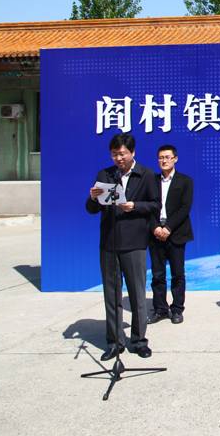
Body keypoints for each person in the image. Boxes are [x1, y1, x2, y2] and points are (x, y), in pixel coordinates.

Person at [86, 133, 160, 360]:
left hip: (134, 243)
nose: (118, 158)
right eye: (114, 154)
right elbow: (92, 209)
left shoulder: (146, 175)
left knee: (137, 294)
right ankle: (114, 342)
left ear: (132, 153)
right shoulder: (105, 175)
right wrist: (92, 198)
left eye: (122, 154)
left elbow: (155, 205)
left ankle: (139, 340)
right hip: (109, 243)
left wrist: (134, 206)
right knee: (111, 294)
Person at [148, 144, 194, 326]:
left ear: (175, 159)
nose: (164, 161)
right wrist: (155, 227)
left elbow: (185, 208)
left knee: (177, 274)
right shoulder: (151, 181)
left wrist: (168, 228)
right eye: (161, 158)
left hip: (176, 233)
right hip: (155, 234)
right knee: (157, 275)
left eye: (167, 157)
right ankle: (160, 309)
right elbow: (147, 207)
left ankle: (177, 309)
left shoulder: (185, 181)